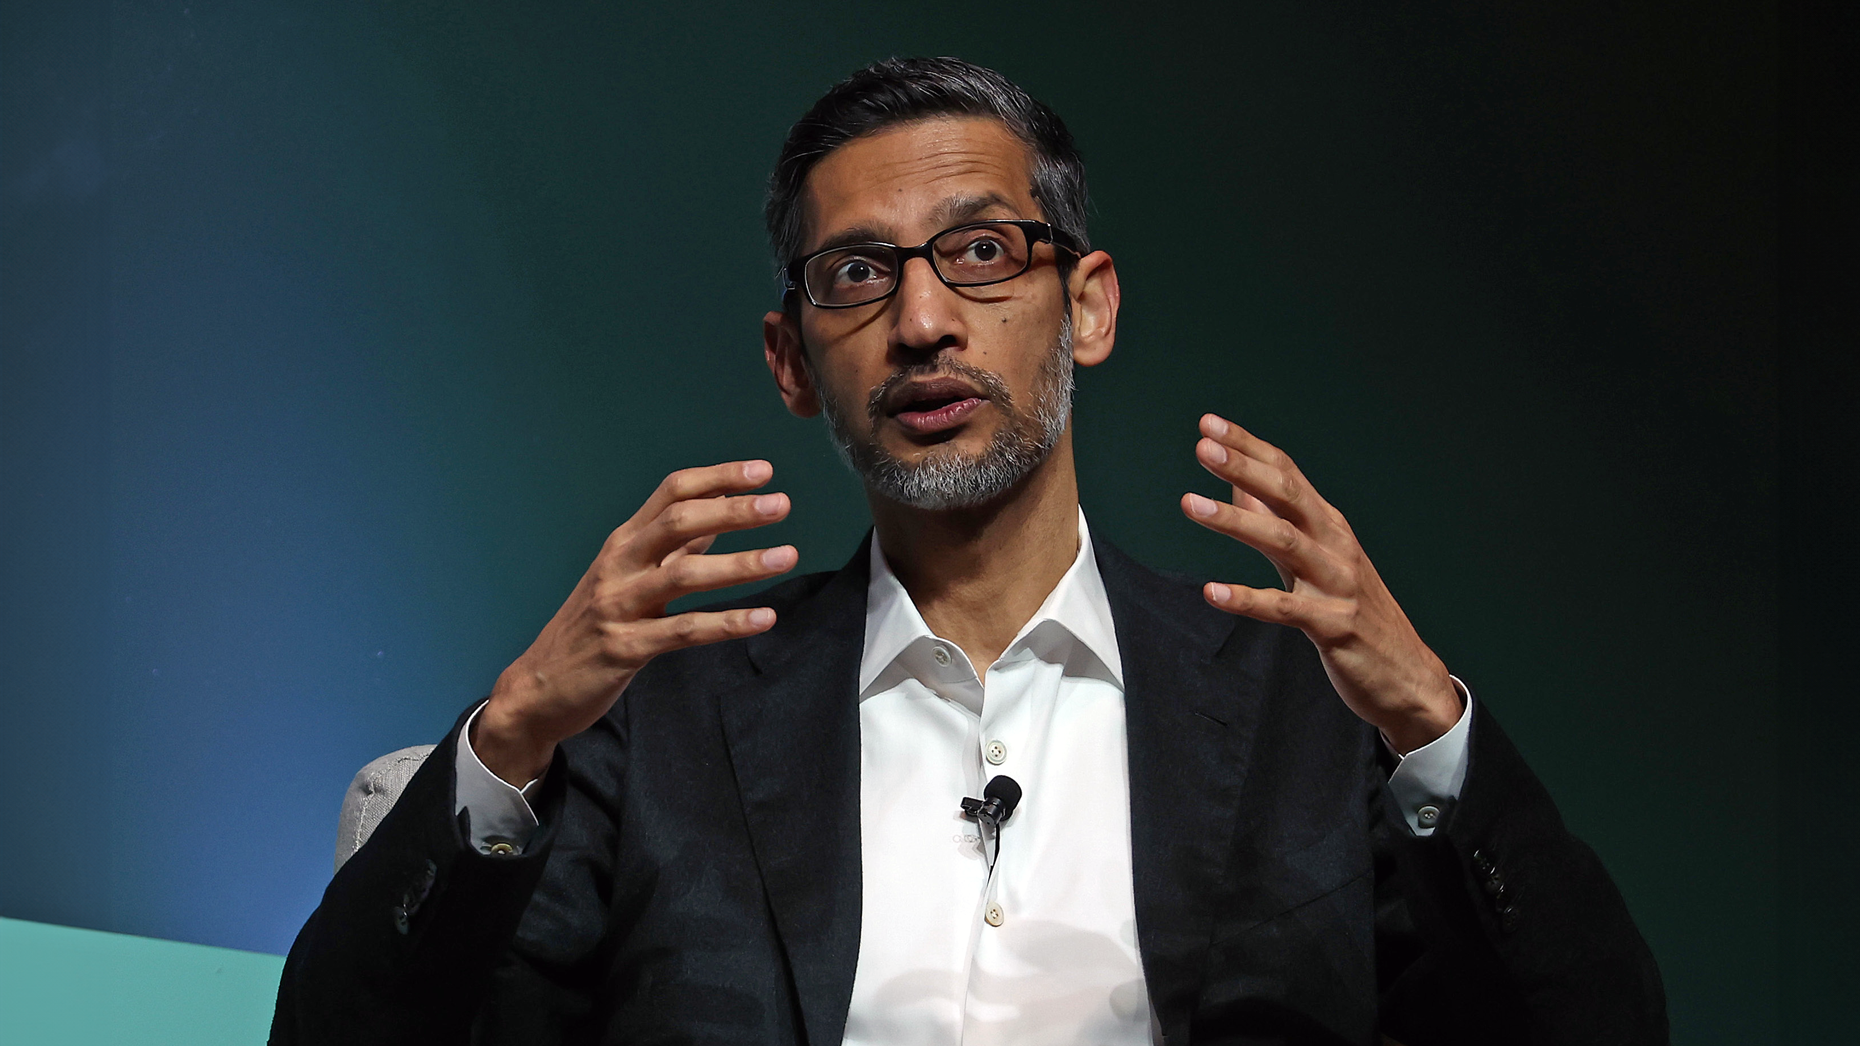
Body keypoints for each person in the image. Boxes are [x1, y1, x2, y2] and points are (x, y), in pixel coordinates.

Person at [271, 58, 1666, 1045]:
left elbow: (1597, 1026)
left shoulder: (1308, 706)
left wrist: (1429, 722)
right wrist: (515, 729)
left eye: (983, 252)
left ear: (1088, 306)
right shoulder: (658, 723)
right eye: (857, 274)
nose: (924, 320)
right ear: (792, 360)